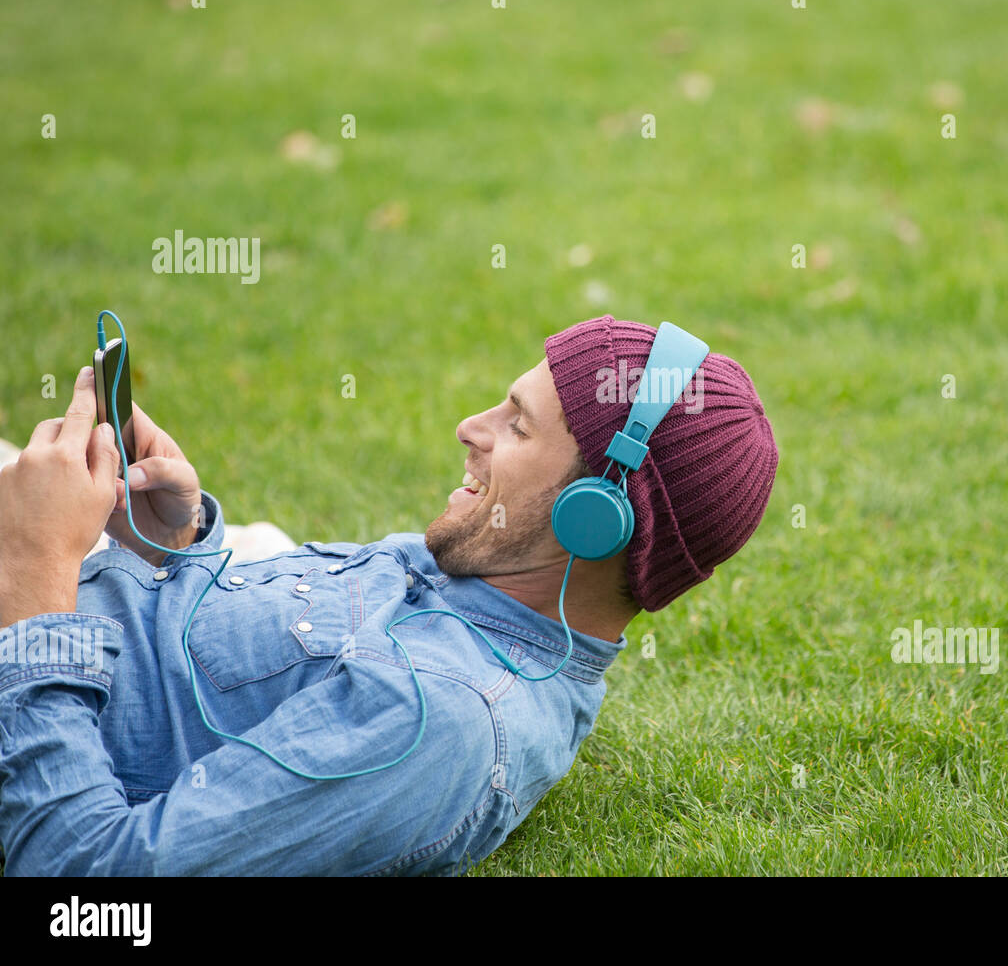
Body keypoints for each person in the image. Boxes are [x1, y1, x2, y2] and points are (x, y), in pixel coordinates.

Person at [0, 315, 778, 875]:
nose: (468, 426)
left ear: (594, 518)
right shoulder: (479, 574)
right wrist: (172, 539)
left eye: (517, 427)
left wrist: (36, 576)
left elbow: (84, 881)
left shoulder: (435, 719)